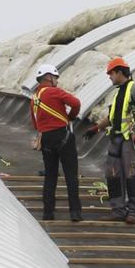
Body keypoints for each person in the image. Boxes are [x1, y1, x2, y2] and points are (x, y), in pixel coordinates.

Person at [100, 56, 135, 225]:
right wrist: (96, 128)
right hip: (116, 139)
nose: (110, 77)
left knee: (131, 174)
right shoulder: (118, 93)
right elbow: (112, 117)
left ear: (119, 72)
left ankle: (133, 211)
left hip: (129, 139)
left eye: (111, 73)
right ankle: (118, 210)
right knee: (113, 175)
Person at [29, 67, 83, 221]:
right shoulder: (55, 92)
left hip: (45, 139)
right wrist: (70, 117)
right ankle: (75, 213)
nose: (57, 81)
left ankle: (48, 212)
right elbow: (76, 103)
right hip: (63, 136)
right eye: (55, 77)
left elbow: (35, 124)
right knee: (71, 175)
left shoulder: (34, 99)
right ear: (48, 77)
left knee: (50, 175)